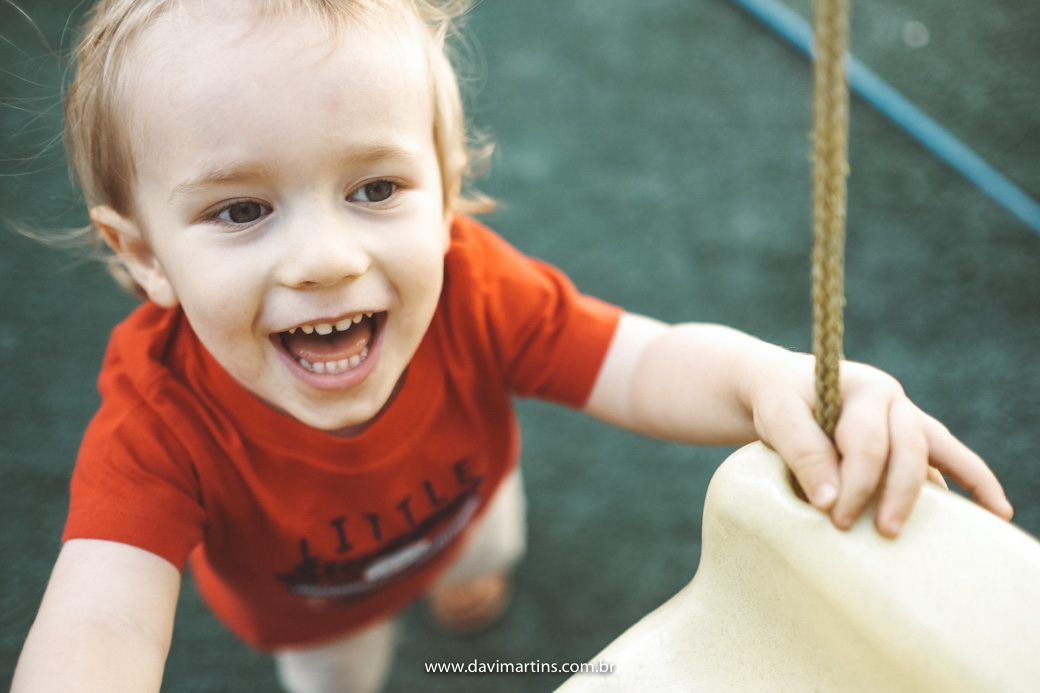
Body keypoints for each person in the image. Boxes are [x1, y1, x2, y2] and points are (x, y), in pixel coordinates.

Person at [10, 0, 1014, 691]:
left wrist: (767, 376)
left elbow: (638, 359)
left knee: (484, 552)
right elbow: (103, 616)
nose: (323, 258)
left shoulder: (472, 285)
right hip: (314, 609)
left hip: (466, 508)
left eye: (374, 189)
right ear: (142, 256)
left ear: (444, 191)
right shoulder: (156, 418)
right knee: (335, 675)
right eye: (239, 209)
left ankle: (464, 582)